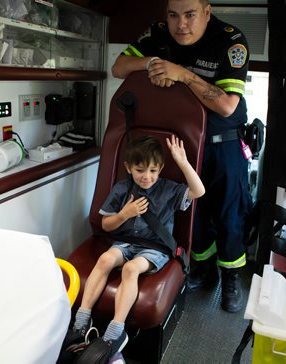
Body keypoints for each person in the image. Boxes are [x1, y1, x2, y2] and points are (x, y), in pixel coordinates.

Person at [111, 0, 252, 313]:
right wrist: (153, 64)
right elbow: (118, 66)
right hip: (185, 143)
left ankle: (231, 276)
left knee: (230, 213)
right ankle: (203, 268)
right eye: (173, 15)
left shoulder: (230, 40)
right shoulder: (159, 35)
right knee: (193, 213)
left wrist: (183, 74)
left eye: (190, 15)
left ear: (206, 11)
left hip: (223, 143)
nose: (181, 25)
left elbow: (227, 105)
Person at [63, 135, 205, 359]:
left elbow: (198, 191)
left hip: (155, 248)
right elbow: (106, 224)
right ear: (128, 168)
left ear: (160, 169)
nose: (147, 177)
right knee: (105, 260)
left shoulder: (169, 189)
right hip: (126, 242)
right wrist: (124, 214)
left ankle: (116, 330)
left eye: (153, 171)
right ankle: (81, 320)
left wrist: (183, 162)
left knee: (131, 270)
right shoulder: (122, 189)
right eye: (140, 170)